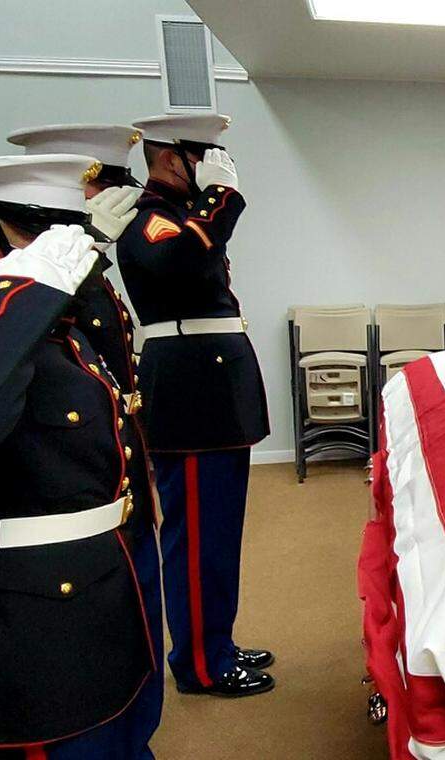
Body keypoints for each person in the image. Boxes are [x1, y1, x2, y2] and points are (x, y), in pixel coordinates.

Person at [0, 155, 156, 756]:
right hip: (29, 619)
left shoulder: (65, 331)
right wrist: (21, 295)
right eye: (53, 233)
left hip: (102, 576)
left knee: (125, 734)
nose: (73, 245)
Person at [8, 123, 164, 744]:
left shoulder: (90, 286)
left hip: (116, 495)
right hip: (66, 523)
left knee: (136, 649)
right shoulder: (19, 314)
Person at [116, 113, 274, 697]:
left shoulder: (183, 216)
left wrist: (211, 200)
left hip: (211, 391)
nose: (212, 166)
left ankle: (217, 642)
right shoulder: (146, 214)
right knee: (198, 537)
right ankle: (202, 664)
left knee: (220, 532)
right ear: (168, 158)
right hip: (190, 394)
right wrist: (222, 196)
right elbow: (182, 259)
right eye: (201, 155)